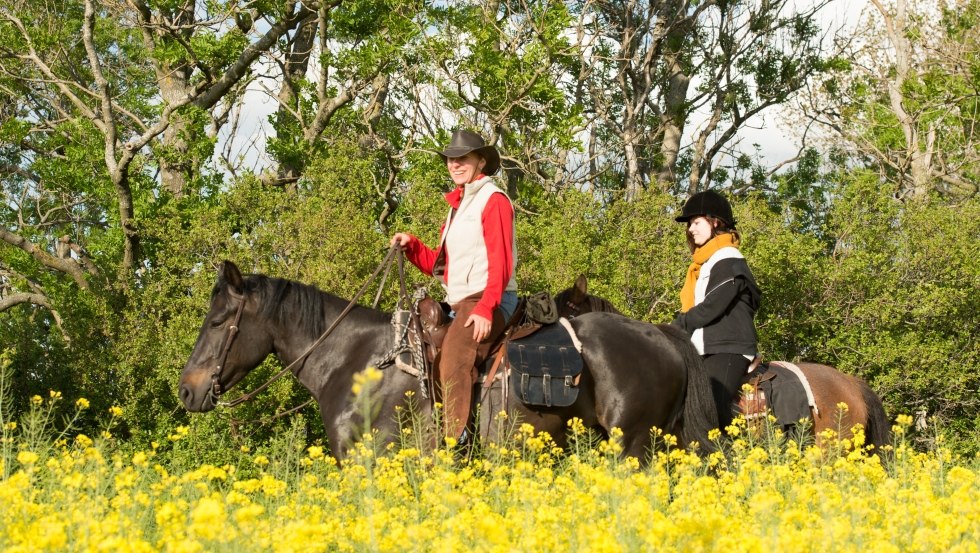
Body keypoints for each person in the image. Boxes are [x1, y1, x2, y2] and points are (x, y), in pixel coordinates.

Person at [391, 129, 519, 442]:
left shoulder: (494, 200)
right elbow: (444, 267)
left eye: (463, 158)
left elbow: (500, 262)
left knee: (454, 358)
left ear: (481, 162)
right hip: (462, 300)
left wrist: (487, 308)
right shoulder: (458, 206)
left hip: (490, 299)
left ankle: (453, 442)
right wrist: (413, 247)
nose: (454, 164)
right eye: (451, 159)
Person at [671, 190, 761, 432]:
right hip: (703, 348)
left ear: (716, 222)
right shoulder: (704, 264)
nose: (690, 229)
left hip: (728, 347)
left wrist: (676, 326)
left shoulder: (728, 258)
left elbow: (712, 307)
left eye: (696, 222)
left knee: (711, 402)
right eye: (689, 224)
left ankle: (728, 457)